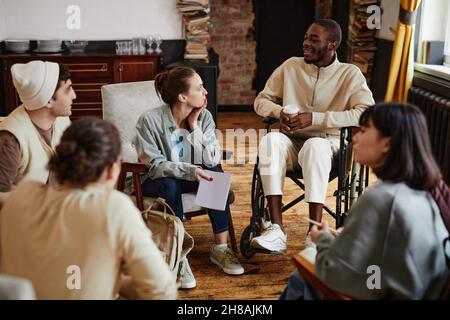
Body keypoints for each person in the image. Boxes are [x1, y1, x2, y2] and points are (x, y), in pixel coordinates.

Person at [280, 103, 450, 299]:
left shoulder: (380, 197)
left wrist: (323, 239)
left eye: (363, 130)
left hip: (383, 290)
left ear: (387, 143)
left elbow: (335, 273)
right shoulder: (424, 192)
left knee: (300, 277)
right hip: (411, 288)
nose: (355, 137)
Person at [0, 119, 177, 300]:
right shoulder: (114, 208)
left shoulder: (20, 196)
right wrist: (116, 282)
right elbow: (163, 291)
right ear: (111, 171)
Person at [251, 19, 375, 252]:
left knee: (315, 146)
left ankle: (314, 231)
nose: (305, 43)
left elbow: (366, 112)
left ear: (332, 45)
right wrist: (279, 112)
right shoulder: (291, 67)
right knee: (270, 141)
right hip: (292, 142)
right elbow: (261, 100)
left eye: (313, 39)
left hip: (330, 145)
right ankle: (276, 229)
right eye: (306, 37)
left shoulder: (350, 74)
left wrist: (316, 118)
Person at [134, 67, 244, 288]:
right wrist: (191, 171)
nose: (205, 92)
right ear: (183, 97)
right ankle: (179, 257)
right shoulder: (149, 120)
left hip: (192, 175)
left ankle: (220, 249)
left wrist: (194, 127)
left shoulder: (205, 117)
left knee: (215, 172)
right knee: (170, 183)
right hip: (154, 181)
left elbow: (212, 158)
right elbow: (154, 166)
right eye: (200, 88)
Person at [0, 60, 75, 207]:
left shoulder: (62, 120)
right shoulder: (11, 139)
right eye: (68, 89)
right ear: (48, 100)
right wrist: (42, 199)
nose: (74, 95)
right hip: (25, 222)